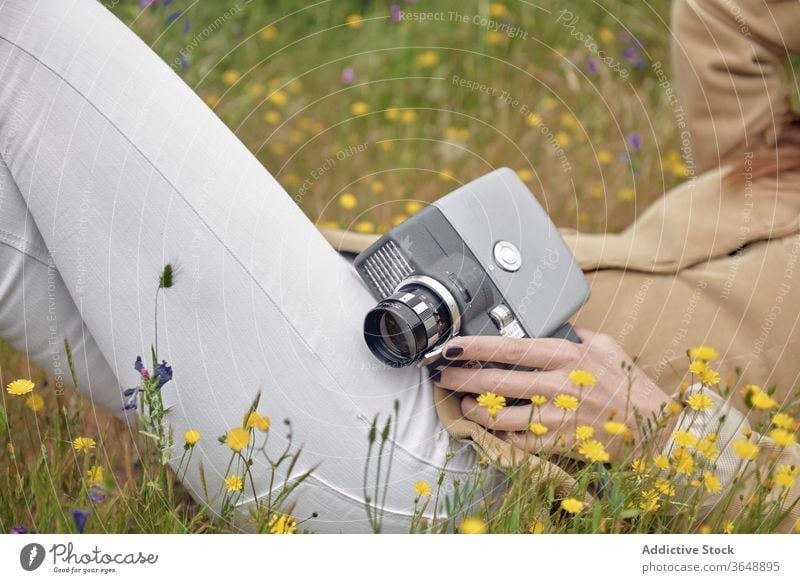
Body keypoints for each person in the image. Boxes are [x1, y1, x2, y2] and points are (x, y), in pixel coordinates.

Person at [0, 0, 796, 535]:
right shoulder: (773, 167)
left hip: (471, 472)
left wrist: (657, 432)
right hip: (383, 348)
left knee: (28, 31)